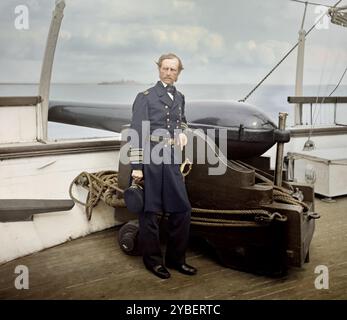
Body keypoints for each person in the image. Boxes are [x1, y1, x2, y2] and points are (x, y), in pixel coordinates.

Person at [129, 53, 197, 279]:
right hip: (150, 157)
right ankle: (153, 262)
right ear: (159, 69)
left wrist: (182, 133)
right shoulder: (145, 97)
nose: (168, 73)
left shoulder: (180, 97)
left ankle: (177, 260)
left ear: (179, 73)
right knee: (150, 212)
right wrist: (136, 166)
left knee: (182, 210)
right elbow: (136, 133)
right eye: (165, 68)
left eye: (173, 70)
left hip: (172, 158)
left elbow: (182, 121)